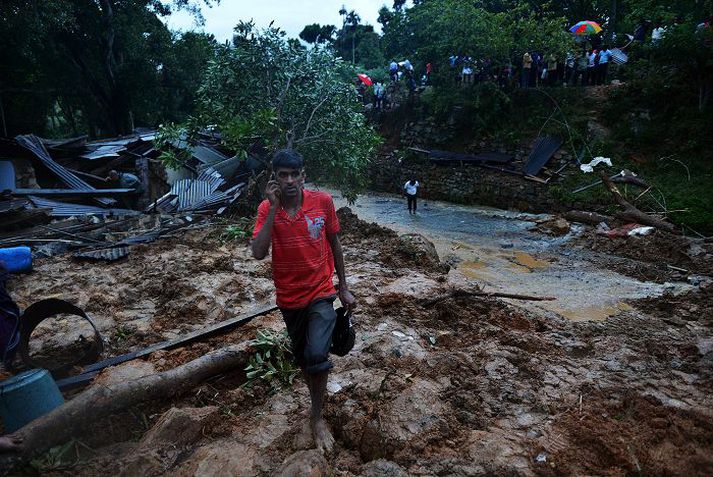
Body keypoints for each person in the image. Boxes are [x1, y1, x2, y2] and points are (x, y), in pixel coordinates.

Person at [251, 149, 356, 454]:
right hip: (288, 299)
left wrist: (344, 288)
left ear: (303, 176)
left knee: (316, 354)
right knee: (304, 360)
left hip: (321, 292)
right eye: (282, 175)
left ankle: (317, 417)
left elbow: (335, 243)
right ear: (275, 179)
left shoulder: (322, 202)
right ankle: (316, 399)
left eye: (294, 174)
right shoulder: (264, 209)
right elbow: (258, 252)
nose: (289, 181)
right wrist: (271, 208)